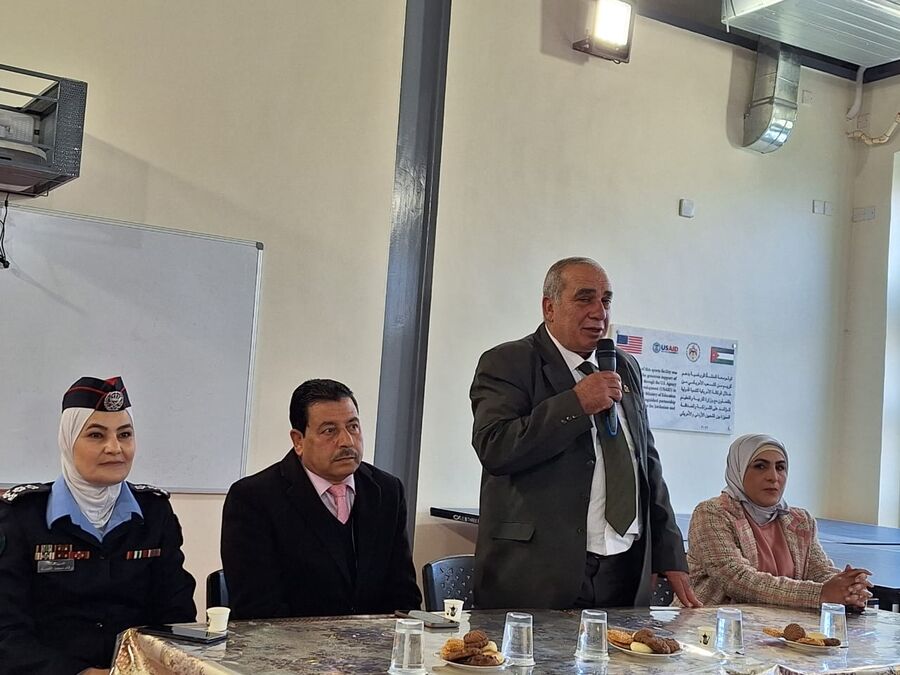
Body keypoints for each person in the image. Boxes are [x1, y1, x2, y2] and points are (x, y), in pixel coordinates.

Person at [470, 256, 698, 609]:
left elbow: (645, 461)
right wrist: (575, 404)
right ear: (549, 307)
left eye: (606, 300)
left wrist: (669, 551)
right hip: (538, 573)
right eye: (584, 298)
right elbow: (495, 447)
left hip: (624, 567)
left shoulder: (624, 365)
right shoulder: (508, 362)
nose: (599, 312)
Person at [0, 376, 196, 675]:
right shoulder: (21, 516)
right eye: (96, 435)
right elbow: (7, 631)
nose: (114, 448)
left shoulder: (154, 513)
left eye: (125, 434)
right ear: (68, 442)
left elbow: (176, 615)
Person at [221, 378, 422, 619]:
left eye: (353, 426)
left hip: (375, 641)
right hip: (290, 641)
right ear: (298, 441)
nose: (347, 441)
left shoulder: (387, 491)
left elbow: (404, 596)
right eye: (329, 431)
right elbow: (257, 610)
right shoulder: (254, 499)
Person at [686, 433, 873, 609]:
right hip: (712, 625)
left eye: (780, 467)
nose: (773, 477)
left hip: (780, 627)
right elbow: (738, 580)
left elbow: (819, 571)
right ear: (738, 470)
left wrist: (848, 588)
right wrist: (820, 594)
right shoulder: (712, 513)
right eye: (760, 466)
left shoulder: (800, 520)